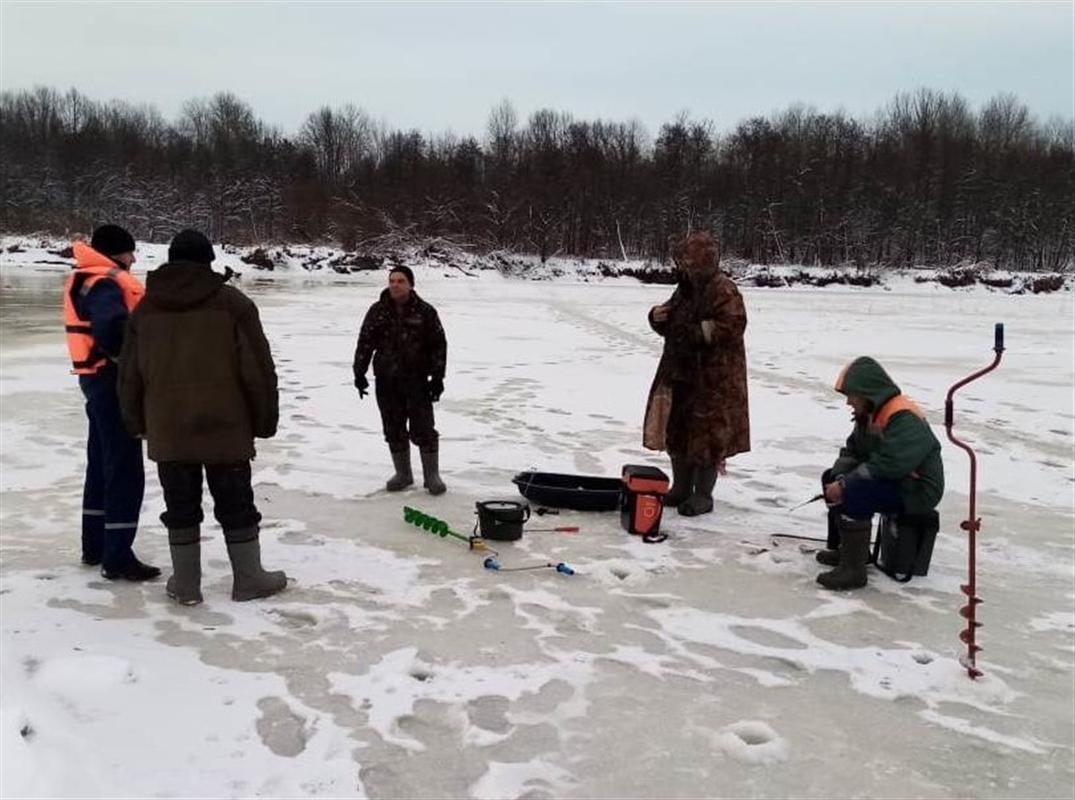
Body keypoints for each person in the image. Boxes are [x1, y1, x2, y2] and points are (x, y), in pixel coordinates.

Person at [118, 229, 286, 605]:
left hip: (169, 429)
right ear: (209, 261)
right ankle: (249, 579)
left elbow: (129, 375)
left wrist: (134, 421)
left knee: (180, 506)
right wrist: (264, 421)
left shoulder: (145, 309)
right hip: (225, 427)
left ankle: (187, 584)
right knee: (236, 502)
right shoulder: (233, 304)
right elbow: (257, 370)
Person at [64, 224, 159, 581]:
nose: (134, 258)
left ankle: (95, 546)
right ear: (115, 251)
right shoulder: (104, 280)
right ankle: (117, 556)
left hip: (94, 380)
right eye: (130, 252)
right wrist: (131, 364)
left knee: (102, 464)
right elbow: (111, 330)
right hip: (111, 381)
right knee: (124, 469)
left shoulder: (87, 276)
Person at [643, 232, 751, 516]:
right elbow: (672, 320)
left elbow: (732, 325)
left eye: (688, 261)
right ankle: (681, 488)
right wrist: (656, 317)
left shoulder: (723, 289)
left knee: (708, 436)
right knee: (678, 429)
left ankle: (703, 495)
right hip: (681, 372)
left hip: (714, 379)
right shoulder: (685, 289)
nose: (684, 266)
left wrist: (693, 331)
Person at [816, 356, 945, 590]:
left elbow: (892, 464)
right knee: (832, 478)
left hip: (918, 489)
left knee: (856, 491)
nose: (849, 402)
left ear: (867, 392)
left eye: (851, 395)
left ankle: (853, 572)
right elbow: (853, 450)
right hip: (897, 481)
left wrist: (845, 485)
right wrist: (838, 476)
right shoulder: (870, 414)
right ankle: (851, 552)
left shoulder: (903, 417)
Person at [353, 266, 448, 495]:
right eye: (392, 280)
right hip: (386, 380)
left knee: (423, 428)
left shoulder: (425, 312)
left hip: (416, 380)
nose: (395, 285)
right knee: (393, 427)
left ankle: (431, 476)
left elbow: (438, 345)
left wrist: (437, 378)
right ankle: (403, 474)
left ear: (411, 284)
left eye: (401, 281)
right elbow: (365, 342)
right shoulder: (377, 311)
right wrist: (359, 373)